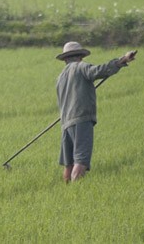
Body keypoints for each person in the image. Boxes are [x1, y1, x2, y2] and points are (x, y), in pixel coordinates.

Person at [55, 42, 136, 183]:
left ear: (65, 59)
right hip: (81, 119)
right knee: (81, 160)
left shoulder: (60, 77)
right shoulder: (81, 67)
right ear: (80, 56)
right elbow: (99, 70)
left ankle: (66, 193)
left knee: (69, 164)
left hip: (65, 122)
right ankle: (76, 194)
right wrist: (122, 60)